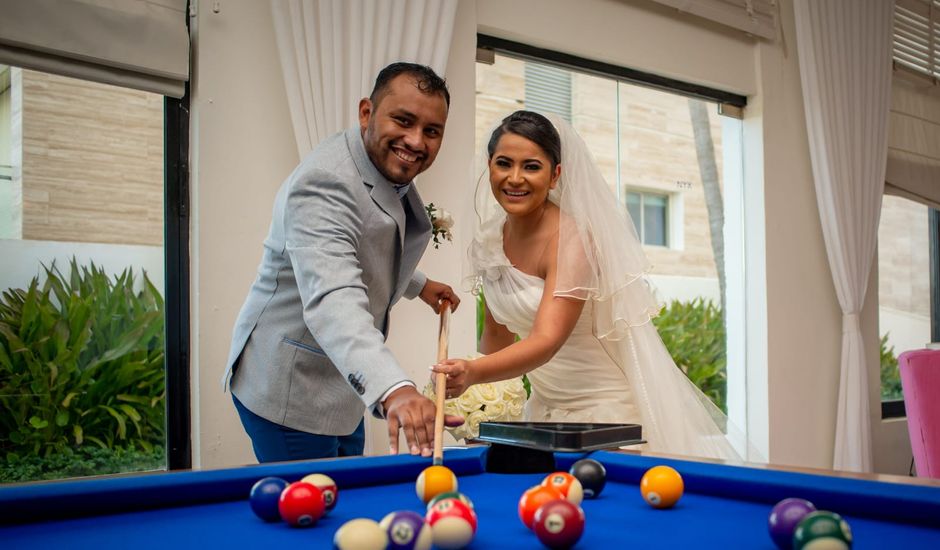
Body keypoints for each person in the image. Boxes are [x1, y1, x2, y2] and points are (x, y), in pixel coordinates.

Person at [433, 110, 751, 461]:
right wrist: (479, 404)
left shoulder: (573, 238)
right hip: (543, 415)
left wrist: (473, 373)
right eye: (504, 163)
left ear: (555, 175)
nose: (515, 178)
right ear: (489, 166)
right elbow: (495, 338)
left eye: (532, 166)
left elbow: (546, 340)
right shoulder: (490, 239)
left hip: (604, 414)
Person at [222, 62, 462, 463]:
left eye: (431, 131)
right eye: (403, 120)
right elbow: (334, 297)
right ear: (366, 112)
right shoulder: (324, 182)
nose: (416, 141)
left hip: (344, 384)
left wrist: (419, 285)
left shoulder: (376, 162)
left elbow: (365, 245)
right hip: (293, 389)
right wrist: (395, 389)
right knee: (316, 513)